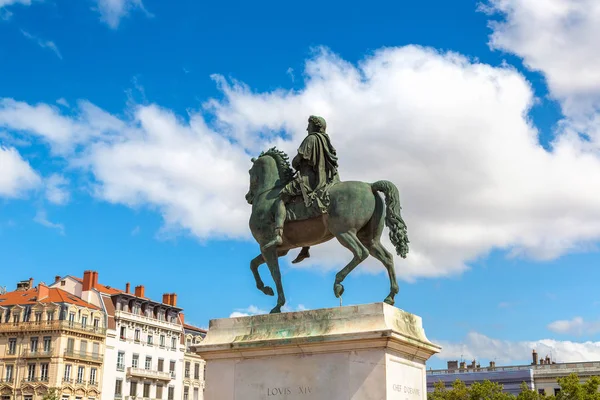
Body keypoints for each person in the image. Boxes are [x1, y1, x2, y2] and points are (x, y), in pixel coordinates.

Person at [262, 116, 340, 264]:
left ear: (315, 126)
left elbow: (299, 159)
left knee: (281, 198)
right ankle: (305, 248)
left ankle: (278, 233)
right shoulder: (326, 141)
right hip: (324, 179)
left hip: (308, 179)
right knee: (306, 205)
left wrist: (295, 162)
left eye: (309, 125)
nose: (307, 128)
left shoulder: (311, 139)